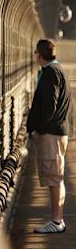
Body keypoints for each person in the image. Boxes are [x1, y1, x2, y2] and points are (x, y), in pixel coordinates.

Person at [27, 38, 73, 234]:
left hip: (51, 134)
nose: (35, 56)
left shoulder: (50, 74)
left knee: (54, 178)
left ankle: (56, 220)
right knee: (56, 177)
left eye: (36, 53)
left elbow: (49, 106)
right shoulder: (57, 71)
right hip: (58, 132)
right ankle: (57, 219)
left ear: (40, 54)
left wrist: (39, 127)